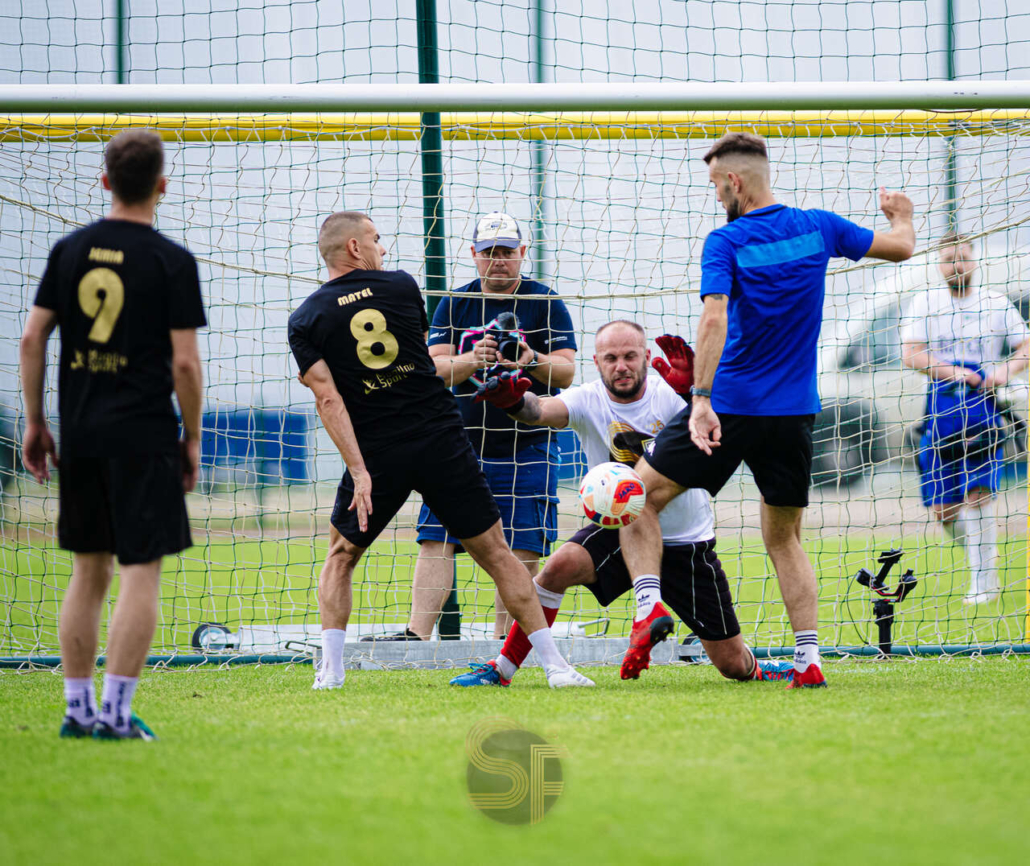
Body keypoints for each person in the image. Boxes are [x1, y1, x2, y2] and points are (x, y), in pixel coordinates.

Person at [615, 132, 916, 689]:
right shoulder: (820, 227)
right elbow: (901, 248)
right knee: (783, 539)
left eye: (715, 185)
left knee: (635, 495)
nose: (715, 195)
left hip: (730, 406)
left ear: (734, 180)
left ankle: (649, 603)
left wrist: (700, 398)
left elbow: (714, 318)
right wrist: (902, 215)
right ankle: (808, 659)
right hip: (794, 414)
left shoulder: (726, 241)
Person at [287, 211, 592, 689]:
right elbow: (420, 366)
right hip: (440, 438)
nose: (383, 248)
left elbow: (329, 400)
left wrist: (358, 470)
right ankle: (556, 668)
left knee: (341, 555)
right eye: (376, 239)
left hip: (379, 449)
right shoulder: (401, 286)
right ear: (354, 248)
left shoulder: (305, 319)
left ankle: (331, 673)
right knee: (496, 553)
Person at [450, 320, 797, 687]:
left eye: (630, 356)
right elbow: (540, 410)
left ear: (646, 357)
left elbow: (718, 427)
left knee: (732, 664)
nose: (621, 366)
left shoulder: (669, 393)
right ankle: (502, 668)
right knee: (558, 568)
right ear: (597, 362)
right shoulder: (587, 398)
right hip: (620, 528)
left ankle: (758, 667)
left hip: (685, 542)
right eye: (611, 358)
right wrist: (514, 402)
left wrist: (692, 394)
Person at [20, 129, 205, 740]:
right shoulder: (171, 260)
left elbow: (31, 337)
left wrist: (36, 422)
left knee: (88, 570)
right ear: (162, 185)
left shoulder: (69, 250)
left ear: (105, 181)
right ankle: (117, 714)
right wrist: (192, 437)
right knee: (140, 570)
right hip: (144, 434)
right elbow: (185, 364)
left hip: (82, 433)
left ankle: (78, 710)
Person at [370, 211, 576, 641]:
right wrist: (473, 359)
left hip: (528, 443)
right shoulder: (455, 302)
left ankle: (506, 642)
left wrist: (529, 359)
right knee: (436, 538)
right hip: (457, 444)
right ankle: (416, 635)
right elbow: (432, 369)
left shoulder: (545, 300)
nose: (498, 260)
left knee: (522, 545)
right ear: (474, 255)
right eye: (489, 252)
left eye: (506, 251)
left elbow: (566, 372)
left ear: (522, 253)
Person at [901, 233, 1030, 604]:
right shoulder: (926, 302)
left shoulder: (995, 303)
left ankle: (982, 581)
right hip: (940, 414)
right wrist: (955, 372)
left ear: (974, 260)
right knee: (943, 510)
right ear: (939, 265)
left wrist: (1003, 372)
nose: (956, 265)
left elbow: (1025, 345)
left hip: (983, 412)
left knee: (978, 495)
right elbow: (910, 354)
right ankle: (984, 557)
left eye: (962, 257)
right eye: (949, 259)